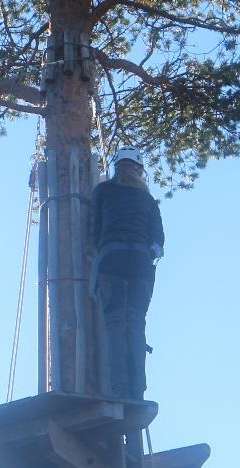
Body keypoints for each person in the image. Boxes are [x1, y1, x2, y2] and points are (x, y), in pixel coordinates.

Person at [90, 147, 164, 400]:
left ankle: (118, 386)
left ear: (117, 167)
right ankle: (138, 387)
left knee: (114, 323)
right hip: (141, 262)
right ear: (139, 170)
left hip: (112, 257)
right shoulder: (147, 200)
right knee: (134, 323)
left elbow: (95, 230)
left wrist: (104, 247)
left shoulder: (103, 191)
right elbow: (159, 241)